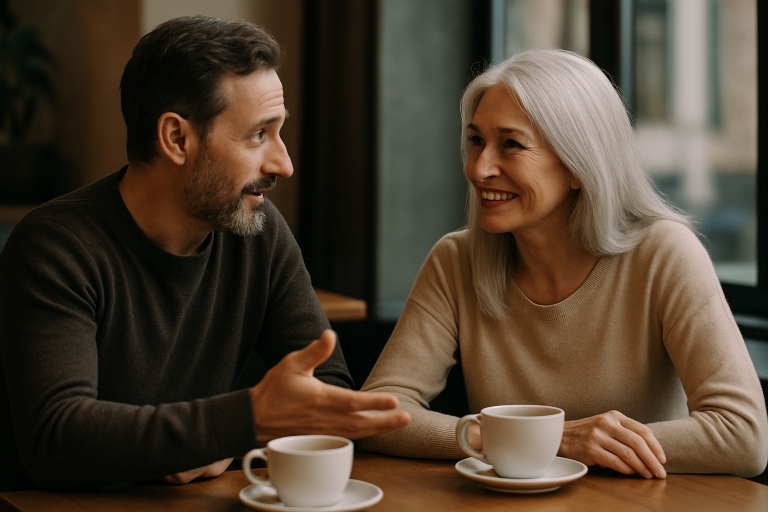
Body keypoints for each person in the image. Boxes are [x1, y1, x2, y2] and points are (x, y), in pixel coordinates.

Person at [0, 16, 408, 491]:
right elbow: (58, 437)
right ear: (177, 139)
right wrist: (238, 422)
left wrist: (223, 440)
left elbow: (328, 399)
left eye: (280, 133)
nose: (284, 164)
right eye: (259, 135)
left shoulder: (259, 232)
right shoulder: (56, 247)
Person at [360, 49, 767, 478]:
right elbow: (378, 416)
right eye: (476, 140)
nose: (479, 168)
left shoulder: (665, 253)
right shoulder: (456, 260)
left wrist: (575, 446)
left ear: (579, 164)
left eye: (511, 145)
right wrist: (550, 440)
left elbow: (743, 435)